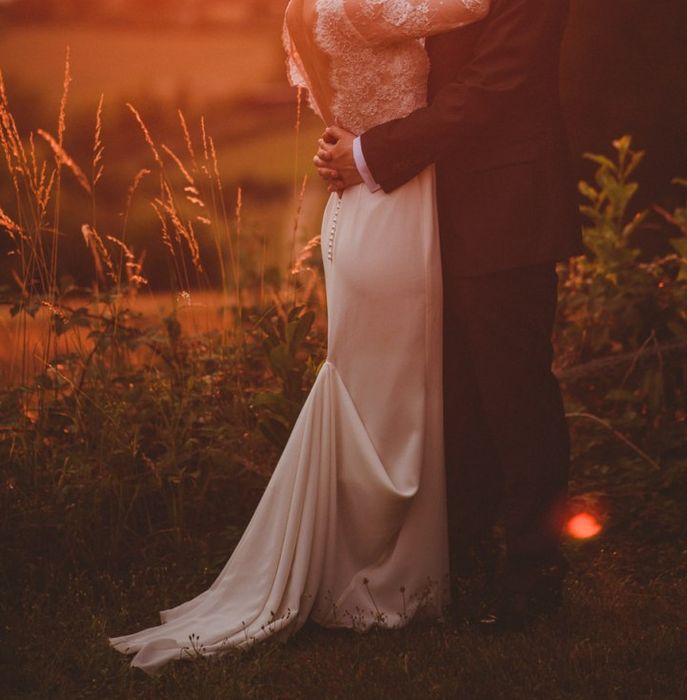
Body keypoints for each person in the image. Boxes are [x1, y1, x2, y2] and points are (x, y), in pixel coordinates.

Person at [109, 0, 494, 675]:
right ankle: (382, 575)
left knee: (376, 387)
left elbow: (333, 105)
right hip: (391, 205)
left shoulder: (303, 10)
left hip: (359, 198)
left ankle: (378, 561)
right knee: (394, 396)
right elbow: (474, 5)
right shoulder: (364, 6)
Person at [314, 0, 583, 629]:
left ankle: (533, 573)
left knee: (514, 395)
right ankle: (457, 559)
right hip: (423, 211)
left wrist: (370, 153)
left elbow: (490, 88)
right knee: (449, 398)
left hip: (507, 211)